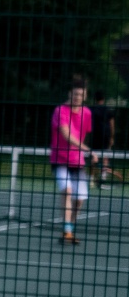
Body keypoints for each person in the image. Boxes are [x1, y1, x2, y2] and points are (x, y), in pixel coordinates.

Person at [51, 81, 97, 245]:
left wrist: (87, 154)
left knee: (79, 200)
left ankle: (70, 227)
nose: (78, 97)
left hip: (77, 162)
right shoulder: (60, 110)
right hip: (59, 160)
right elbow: (66, 134)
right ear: (70, 93)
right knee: (67, 191)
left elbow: (83, 134)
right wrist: (88, 150)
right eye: (75, 93)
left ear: (85, 96)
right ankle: (67, 231)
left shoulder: (87, 113)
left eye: (81, 94)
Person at [89, 90, 116, 190]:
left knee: (93, 157)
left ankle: (91, 180)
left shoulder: (91, 109)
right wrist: (112, 138)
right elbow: (112, 125)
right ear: (103, 99)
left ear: (94, 99)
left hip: (94, 136)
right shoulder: (108, 110)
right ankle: (102, 180)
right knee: (105, 158)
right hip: (106, 136)